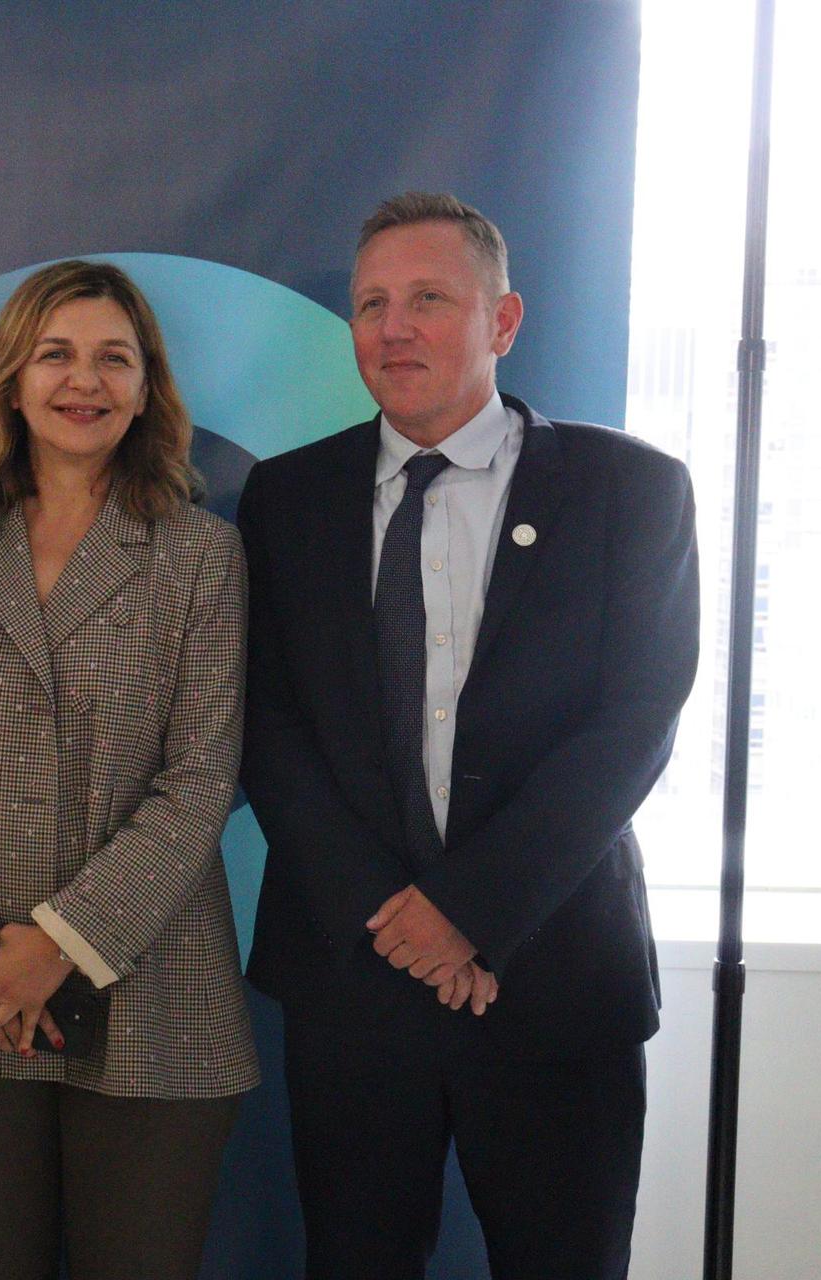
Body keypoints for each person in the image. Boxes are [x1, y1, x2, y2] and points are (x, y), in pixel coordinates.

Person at [238, 191, 699, 1279]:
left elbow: (635, 721)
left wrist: (470, 912)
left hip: (551, 977)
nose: (393, 328)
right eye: (371, 304)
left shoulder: (628, 489)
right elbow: (264, 723)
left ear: (503, 321)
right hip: (355, 979)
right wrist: (398, 919)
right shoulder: (287, 498)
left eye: (428, 300)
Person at [0, 259, 258, 1280]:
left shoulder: (202, 555)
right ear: (12, 377)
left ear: (146, 386)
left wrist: (57, 944)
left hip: (156, 993)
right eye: (57, 354)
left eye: (113, 359)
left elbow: (201, 779)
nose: (85, 381)